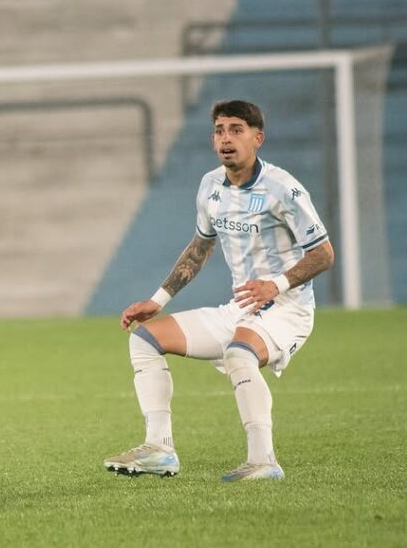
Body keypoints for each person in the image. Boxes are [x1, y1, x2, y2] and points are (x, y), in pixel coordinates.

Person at [105, 100, 334, 482]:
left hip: (287, 309)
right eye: (219, 130)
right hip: (240, 309)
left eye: (236, 130)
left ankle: (263, 461)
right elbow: (201, 246)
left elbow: (323, 253)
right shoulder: (211, 185)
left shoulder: (283, 189)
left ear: (257, 138)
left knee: (238, 353)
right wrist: (157, 300)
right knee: (144, 340)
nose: (226, 138)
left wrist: (273, 285)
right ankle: (160, 449)